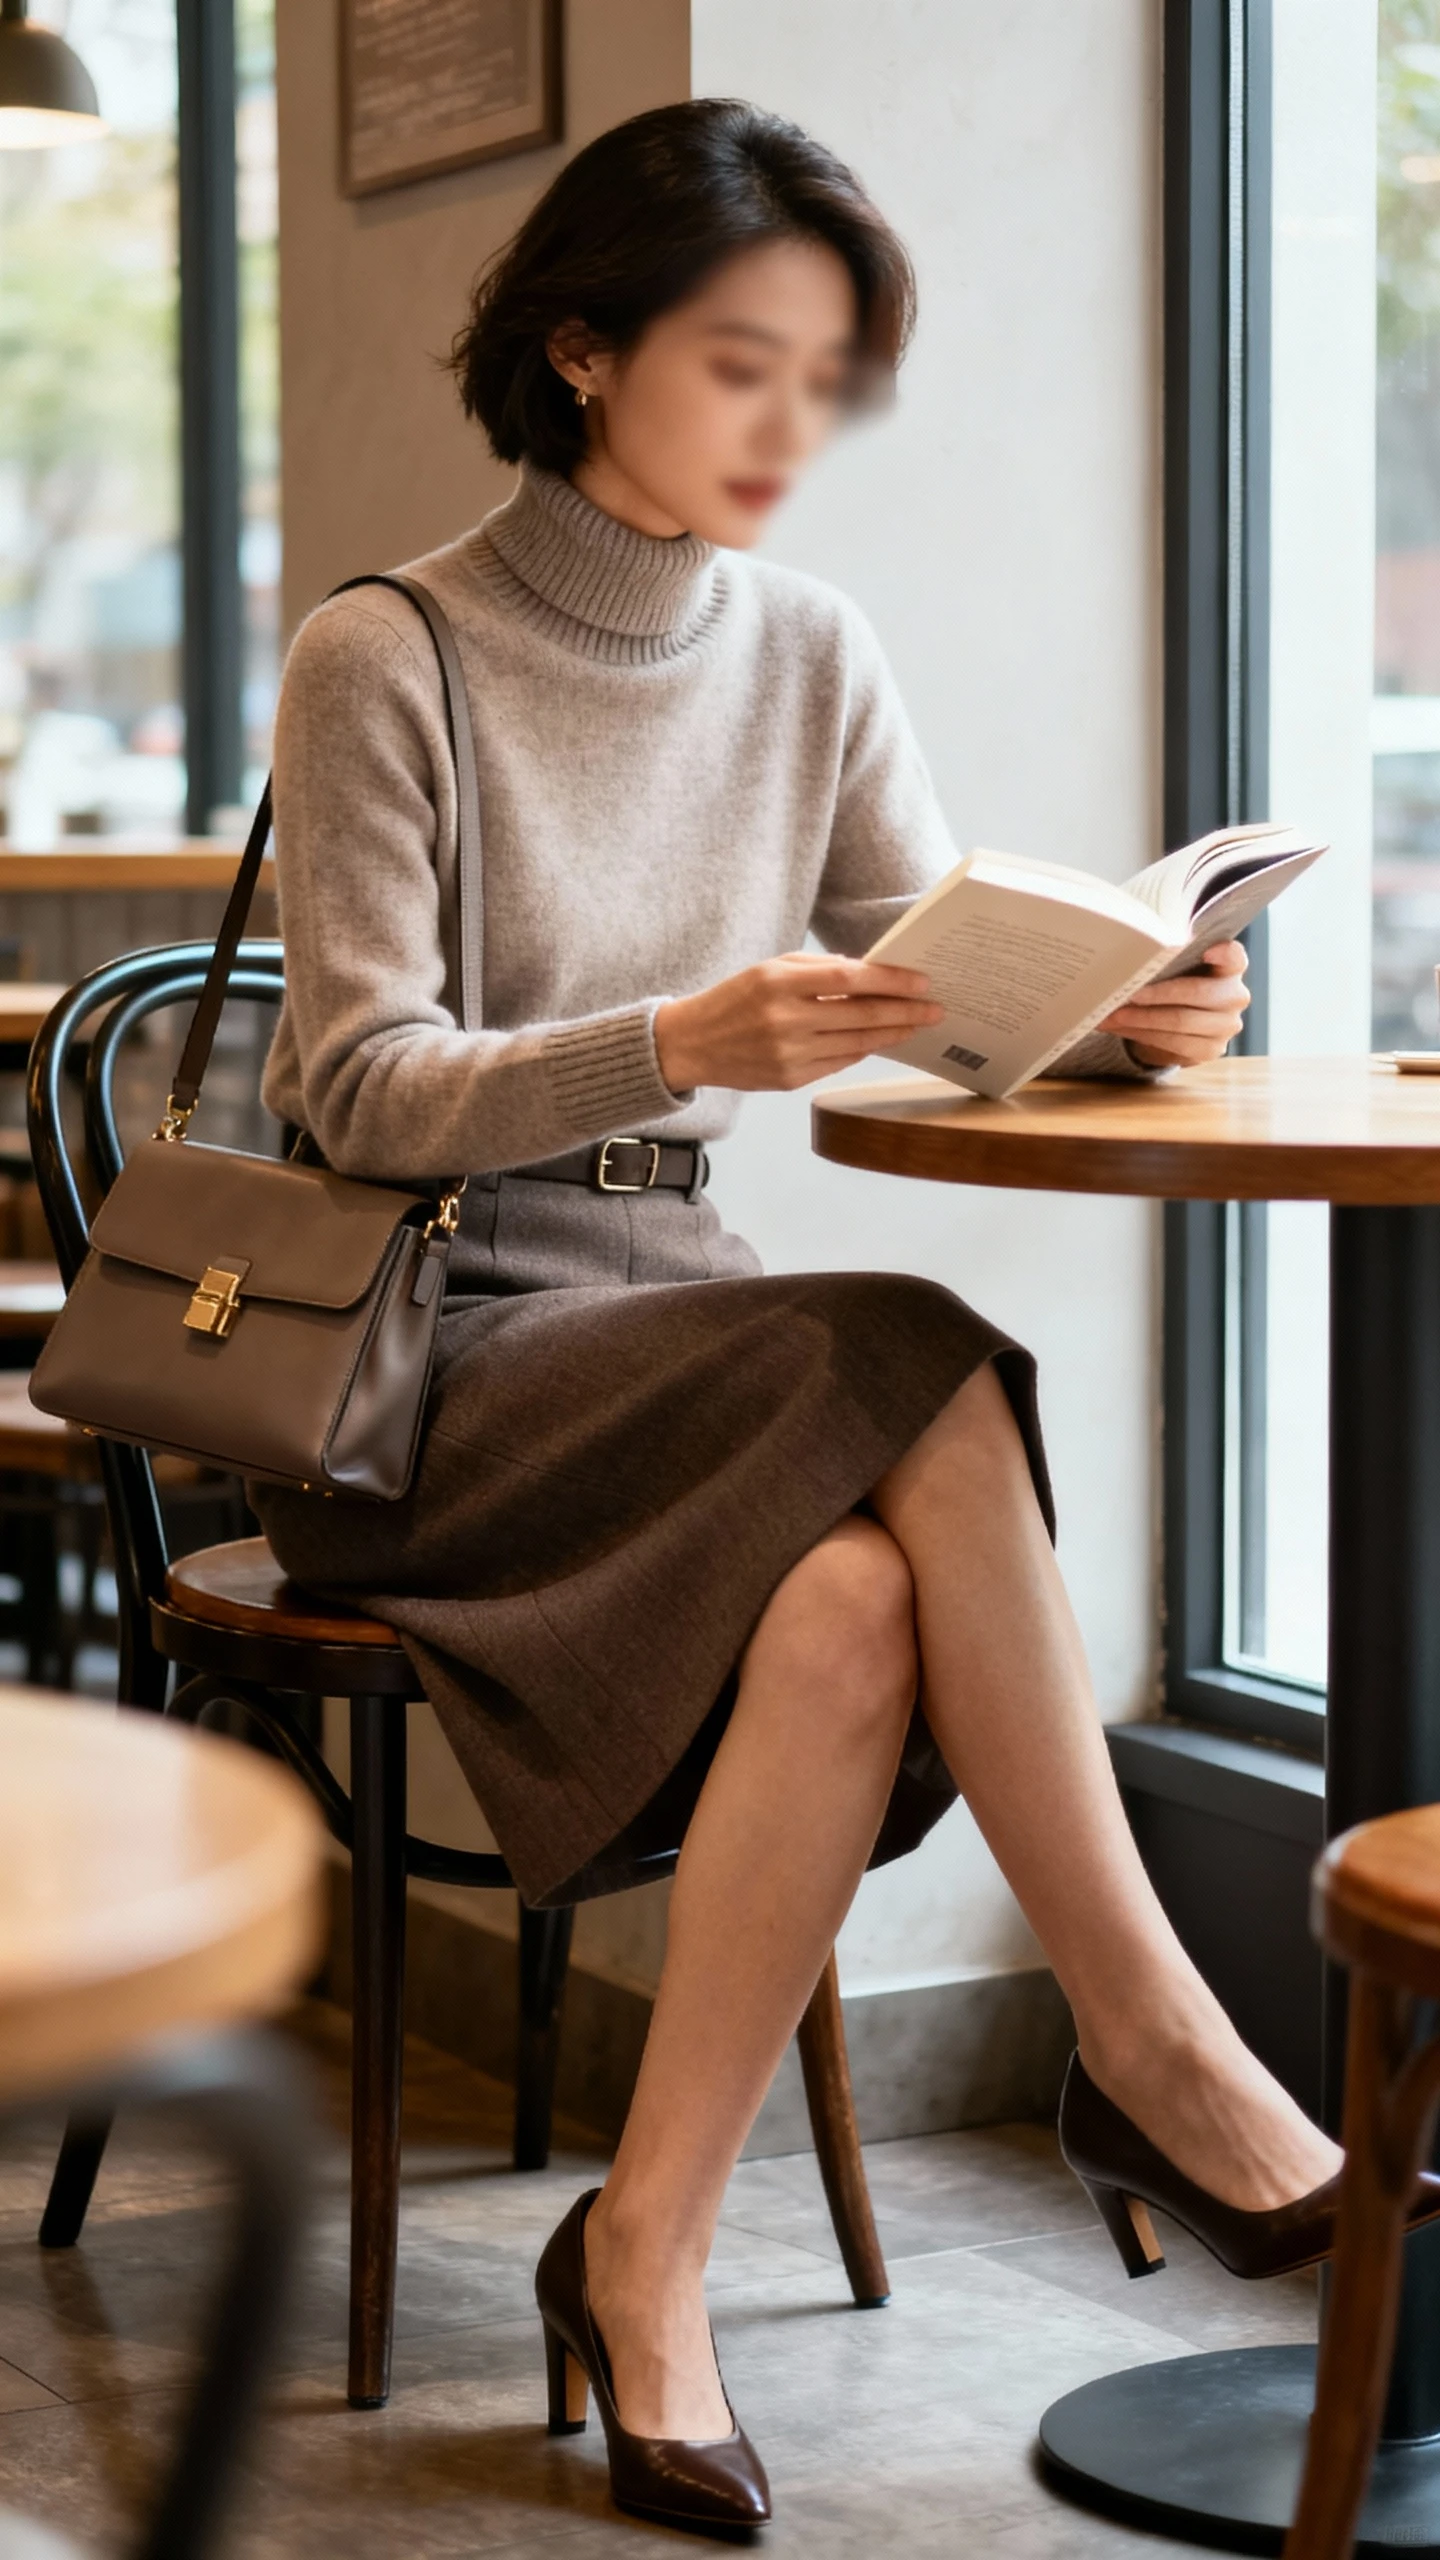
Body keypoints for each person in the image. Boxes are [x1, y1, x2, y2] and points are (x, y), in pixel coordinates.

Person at [254, 98, 1430, 2538]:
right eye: (742, 366)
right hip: (435, 1365)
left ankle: (649, 2247)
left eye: (828, 379)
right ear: (582, 352)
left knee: (864, 1588)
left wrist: (1121, 1011)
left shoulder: (810, 649)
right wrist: (677, 1041)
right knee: (911, 1350)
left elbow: (927, 983)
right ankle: (1162, 2043)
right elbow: (351, 1090)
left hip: (681, 1345)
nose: (796, 429)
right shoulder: (390, 655)